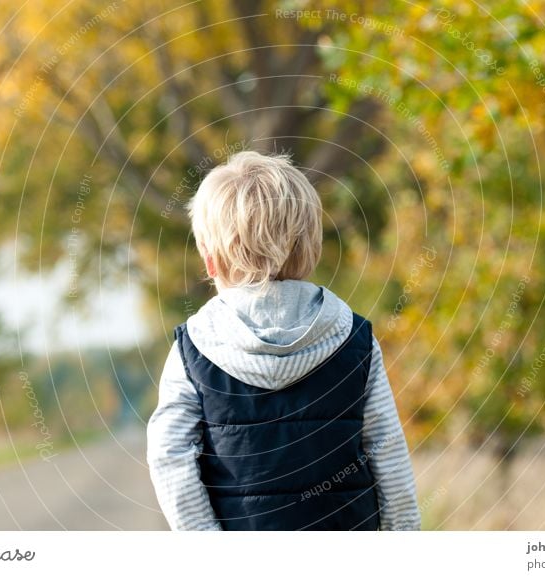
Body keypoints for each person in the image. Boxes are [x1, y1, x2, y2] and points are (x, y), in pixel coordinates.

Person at [146, 150, 421, 530]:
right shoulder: (353, 338)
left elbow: (169, 456)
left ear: (210, 261)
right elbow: (386, 450)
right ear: (311, 248)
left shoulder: (194, 349)